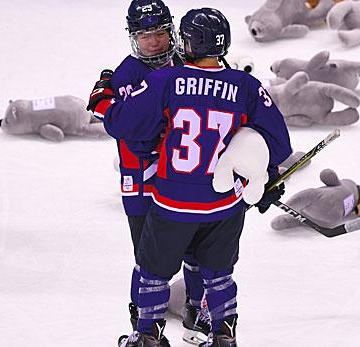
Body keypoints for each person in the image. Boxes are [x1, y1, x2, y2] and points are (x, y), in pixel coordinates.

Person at [89, 7, 292, 347]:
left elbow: (124, 125)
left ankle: (148, 335)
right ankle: (223, 334)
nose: (155, 41)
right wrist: (262, 175)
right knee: (218, 270)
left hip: (171, 200)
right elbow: (279, 144)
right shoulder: (246, 85)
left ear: (186, 42)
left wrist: (104, 102)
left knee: (151, 268)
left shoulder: (165, 81)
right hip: (222, 202)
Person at [86, 0, 209, 344]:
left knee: (195, 245)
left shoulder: (188, 62)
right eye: (144, 36)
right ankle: (142, 313)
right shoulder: (127, 73)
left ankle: (195, 307)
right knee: (148, 254)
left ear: (170, 31)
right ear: (133, 38)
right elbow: (134, 132)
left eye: (158, 33)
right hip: (141, 178)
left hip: (183, 177)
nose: (153, 42)